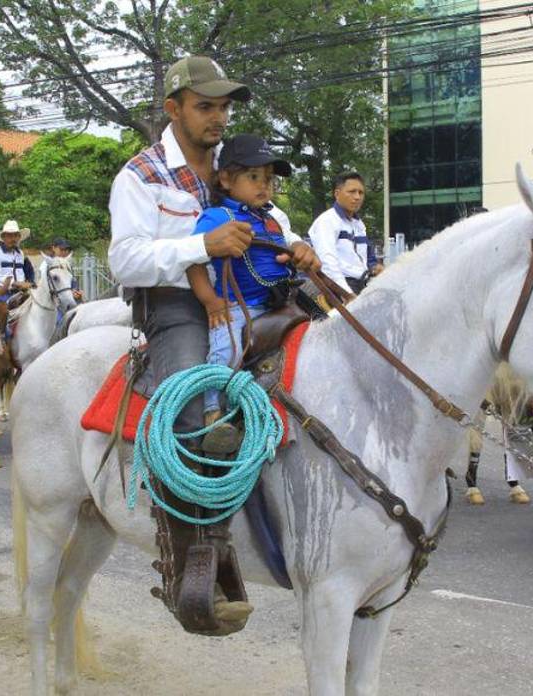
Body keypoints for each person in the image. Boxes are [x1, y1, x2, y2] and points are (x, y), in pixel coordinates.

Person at [107, 55, 319, 634]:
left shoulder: (237, 165)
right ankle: (196, 568)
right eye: (205, 106)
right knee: (189, 411)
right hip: (179, 306)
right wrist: (201, 246)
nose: (218, 117)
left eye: (223, 107)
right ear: (172, 109)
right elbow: (124, 259)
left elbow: (275, 223)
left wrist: (300, 247)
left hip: (256, 298)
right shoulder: (142, 175)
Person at [185, 134, 293, 432]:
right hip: (239, 306)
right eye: (254, 177)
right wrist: (210, 301)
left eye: (268, 178)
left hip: (280, 304)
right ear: (226, 179)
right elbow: (193, 260)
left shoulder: (270, 218)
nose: (264, 185)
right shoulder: (217, 217)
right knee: (226, 352)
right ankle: (213, 412)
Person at [307, 172, 380, 295]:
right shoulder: (327, 220)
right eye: (352, 192)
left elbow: (369, 259)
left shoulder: (359, 224)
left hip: (362, 285)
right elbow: (328, 264)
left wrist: (375, 268)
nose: (357, 197)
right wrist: (347, 294)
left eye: (361, 193)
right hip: (338, 288)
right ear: (337, 194)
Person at [0, 219, 35, 294]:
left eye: (15, 235)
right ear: (3, 237)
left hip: (21, 292)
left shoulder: (20, 254)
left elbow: (28, 272)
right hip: (2, 293)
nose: (13, 239)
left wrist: (29, 283)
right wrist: (14, 283)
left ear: (19, 237)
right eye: (9, 235)